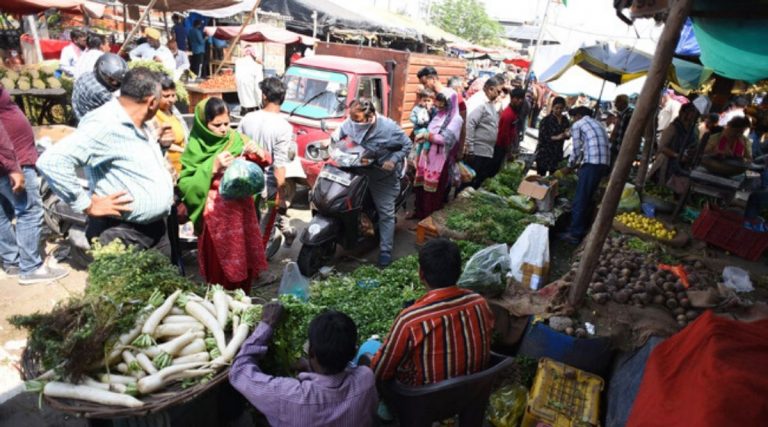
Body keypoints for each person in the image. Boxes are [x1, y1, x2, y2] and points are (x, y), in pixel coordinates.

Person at [37, 67, 175, 255]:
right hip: (122, 233)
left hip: (155, 229)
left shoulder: (139, 121)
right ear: (152, 102)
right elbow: (51, 162)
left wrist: (160, 146)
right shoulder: (105, 124)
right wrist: (86, 205)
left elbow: (132, 162)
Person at [371, 238, 494, 386]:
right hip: (472, 393)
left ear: (421, 274)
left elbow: (380, 373)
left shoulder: (410, 320)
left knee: (369, 348)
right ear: (459, 271)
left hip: (422, 401)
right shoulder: (479, 303)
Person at [229, 304, 378, 426]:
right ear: (354, 352)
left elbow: (238, 370)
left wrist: (267, 325)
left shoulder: (290, 395)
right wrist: (311, 368)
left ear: (311, 352)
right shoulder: (366, 379)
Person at [178, 97, 270, 292]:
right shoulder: (195, 147)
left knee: (244, 260)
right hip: (215, 219)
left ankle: (243, 301)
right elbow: (186, 184)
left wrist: (258, 153)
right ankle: (221, 305)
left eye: (227, 123)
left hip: (242, 213)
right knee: (220, 266)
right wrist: (212, 167)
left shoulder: (236, 139)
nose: (223, 129)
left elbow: (263, 161)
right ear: (204, 125)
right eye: (216, 125)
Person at [332, 99, 411, 267]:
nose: (353, 122)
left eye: (357, 119)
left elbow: (407, 145)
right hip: (356, 168)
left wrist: (393, 159)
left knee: (386, 212)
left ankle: (385, 251)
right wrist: (329, 141)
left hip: (381, 174)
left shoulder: (388, 128)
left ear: (370, 117)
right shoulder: (352, 121)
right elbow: (340, 131)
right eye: (351, 118)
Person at [0, 89, 68, 285]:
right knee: (29, 210)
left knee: (3, 213)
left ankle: (12, 262)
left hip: (7, 161)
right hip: (12, 160)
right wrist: (13, 166)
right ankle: (30, 268)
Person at [238, 77, 297, 246]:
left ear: (264, 96)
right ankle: (286, 231)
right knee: (262, 228)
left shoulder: (247, 118)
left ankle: (285, 231)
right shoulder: (284, 127)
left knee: (250, 226)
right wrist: (281, 191)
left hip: (245, 183)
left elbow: (237, 147)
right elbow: (279, 164)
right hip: (267, 188)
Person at [558, 106, 611, 245]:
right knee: (587, 196)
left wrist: (569, 166)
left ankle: (575, 234)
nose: (573, 120)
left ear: (579, 115)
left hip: (592, 164)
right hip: (603, 164)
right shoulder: (598, 123)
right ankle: (578, 228)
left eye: (573, 116)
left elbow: (575, 149)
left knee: (580, 198)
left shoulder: (578, 124)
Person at [413, 91, 463, 219]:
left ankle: (427, 220)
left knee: (433, 194)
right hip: (426, 158)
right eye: (438, 105)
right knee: (422, 190)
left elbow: (445, 140)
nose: (439, 108)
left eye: (442, 106)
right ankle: (419, 215)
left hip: (439, 161)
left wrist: (427, 135)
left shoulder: (456, 119)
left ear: (450, 105)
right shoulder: (438, 115)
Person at [649, 103, 700, 192]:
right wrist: (677, 156)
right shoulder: (673, 128)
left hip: (682, 166)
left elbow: (694, 145)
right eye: (692, 113)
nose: (693, 116)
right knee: (661, 190)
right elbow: (662, 147)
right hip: (667, 164)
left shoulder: (694, 130)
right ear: (684, 113)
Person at [464, 76, 503, 188]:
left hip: (485, 151)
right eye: (498, 91)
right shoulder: (479, 102)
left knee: (476, 181)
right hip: (476, 151)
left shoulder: (489, 103)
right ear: (490, 89)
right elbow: (470, 124)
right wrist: (470, 148)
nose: (499, 94)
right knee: (468, 181)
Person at [71, 53, 127, 120]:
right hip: (90, 124)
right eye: (111, 79)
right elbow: (124, 111)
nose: (115, 83)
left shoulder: (86, 75)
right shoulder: (100, 92)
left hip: (77, 113)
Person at [153, 77, 188, 176]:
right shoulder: (154, 116)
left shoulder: (173, 112)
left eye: (173, 95)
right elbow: (160, 142)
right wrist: (183, 150)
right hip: (168, 167)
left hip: (182, 165)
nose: (171, 100)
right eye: (166, 96)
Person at [536, 96, 570, 176]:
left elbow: (568, 133)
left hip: (557, 153)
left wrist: (567, 135)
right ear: (552, 107)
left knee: (553, 177)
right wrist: (558, 137)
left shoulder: (565, 120)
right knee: (540, 177)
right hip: (544, 153)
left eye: (561, 108)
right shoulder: (546, 120)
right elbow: (542, 137)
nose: (558, 110)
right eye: (556, 108)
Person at [497, 87, 526, 165]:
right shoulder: (508, 114)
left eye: (521, 99)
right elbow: (504, 134)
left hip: (505, 147)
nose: (520, 101)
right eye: (517, 98)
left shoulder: (514, 112)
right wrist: (509, 152)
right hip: (501, 147)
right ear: (512, 98)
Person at [235, 45, 264, 115]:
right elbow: (258, 88)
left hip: (242, 105)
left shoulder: (238, 64)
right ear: (253, 54)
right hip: (253, 107)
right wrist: (260, 103)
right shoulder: (256, 67)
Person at [610, 94, 634, 167]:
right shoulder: (622, 114)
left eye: (617, 102)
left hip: (622, 147)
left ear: (622, 103)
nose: (615, 105)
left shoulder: (629, 114)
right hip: (616, 147)